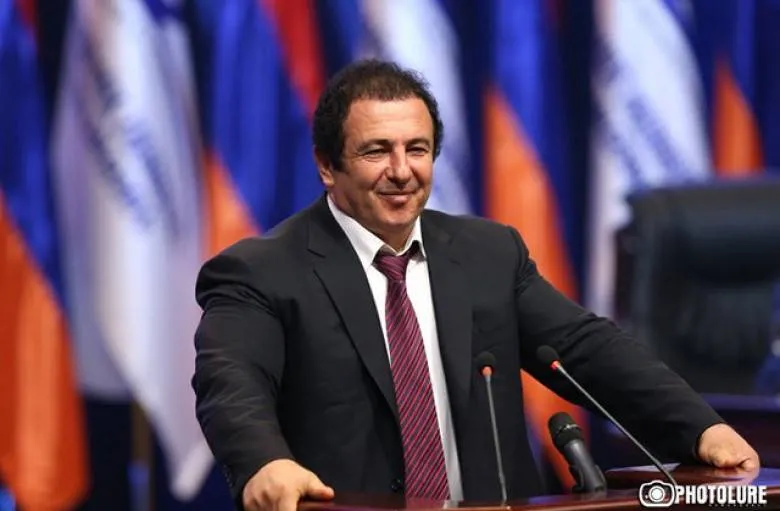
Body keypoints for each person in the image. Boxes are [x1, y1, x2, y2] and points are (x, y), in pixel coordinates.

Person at [192, 59, 759, 511]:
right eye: (376, 151)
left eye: (417, 149)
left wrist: (700, 428)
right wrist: (265, 462)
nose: (402, 170)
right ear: (326, 166)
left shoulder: (489, 253)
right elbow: (231, 385)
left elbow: (586, 350)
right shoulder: (261, 271)